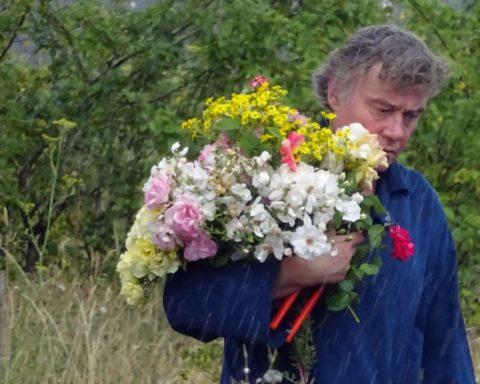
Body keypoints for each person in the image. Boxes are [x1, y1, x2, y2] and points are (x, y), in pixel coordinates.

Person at [163, 25, 476, 383]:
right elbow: (185, 306)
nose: (397, 131)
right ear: (335, 93)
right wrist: (290, 275)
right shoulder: (264, 181)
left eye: (411, 116)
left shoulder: (419, 202)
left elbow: (444, 349)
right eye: (383, 109)